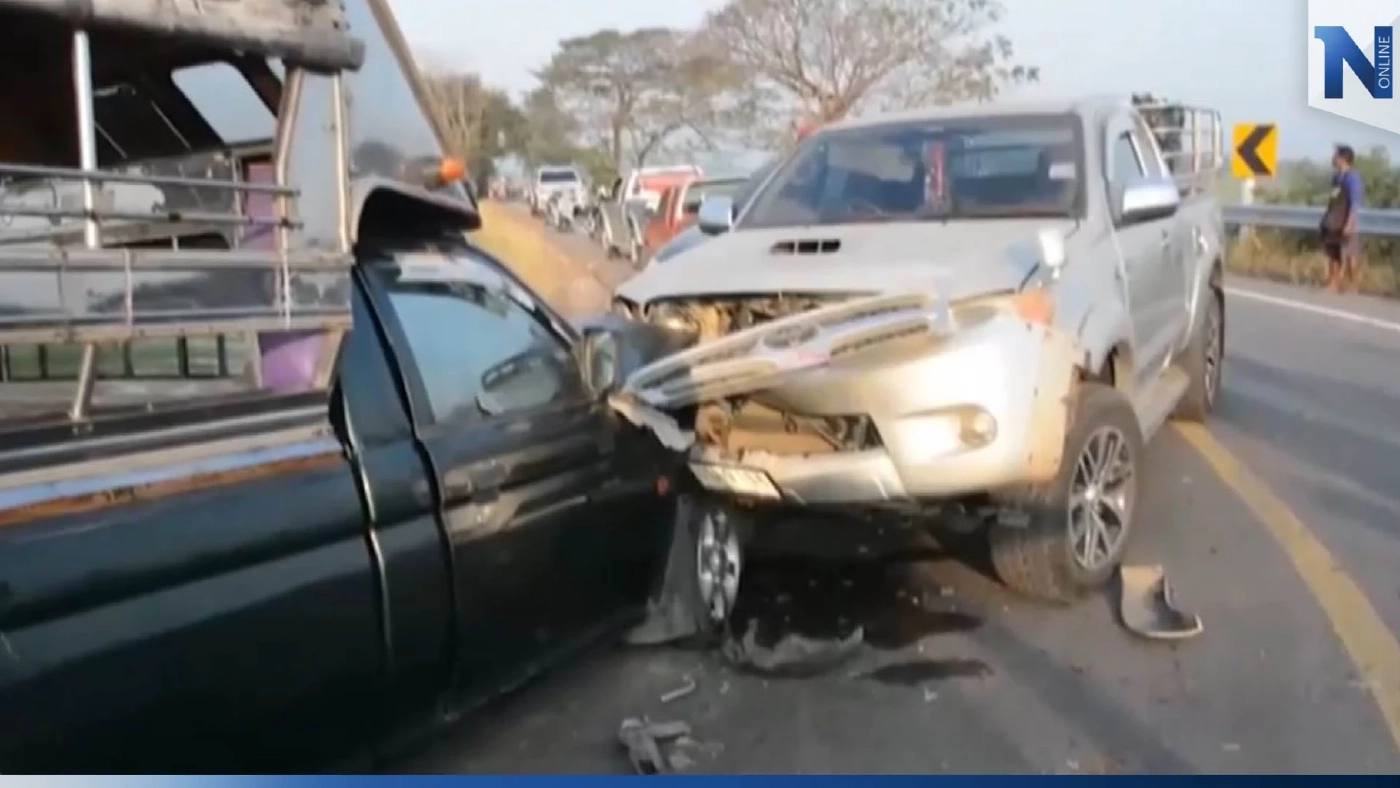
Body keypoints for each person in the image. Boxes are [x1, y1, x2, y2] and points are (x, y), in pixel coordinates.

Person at [1321, 144, 1364, 292]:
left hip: (1345, 220)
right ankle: (1333, 282)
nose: (1333, 158)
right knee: (1333, 252)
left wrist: (1349, 223)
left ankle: (1353, 284)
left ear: (1343, 159)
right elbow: (1332, 200)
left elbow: (1355, 203)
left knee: (1350, 254)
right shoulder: (1336, 177)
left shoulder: (1352, 178)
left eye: (1336, 156)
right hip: (1333, 221)